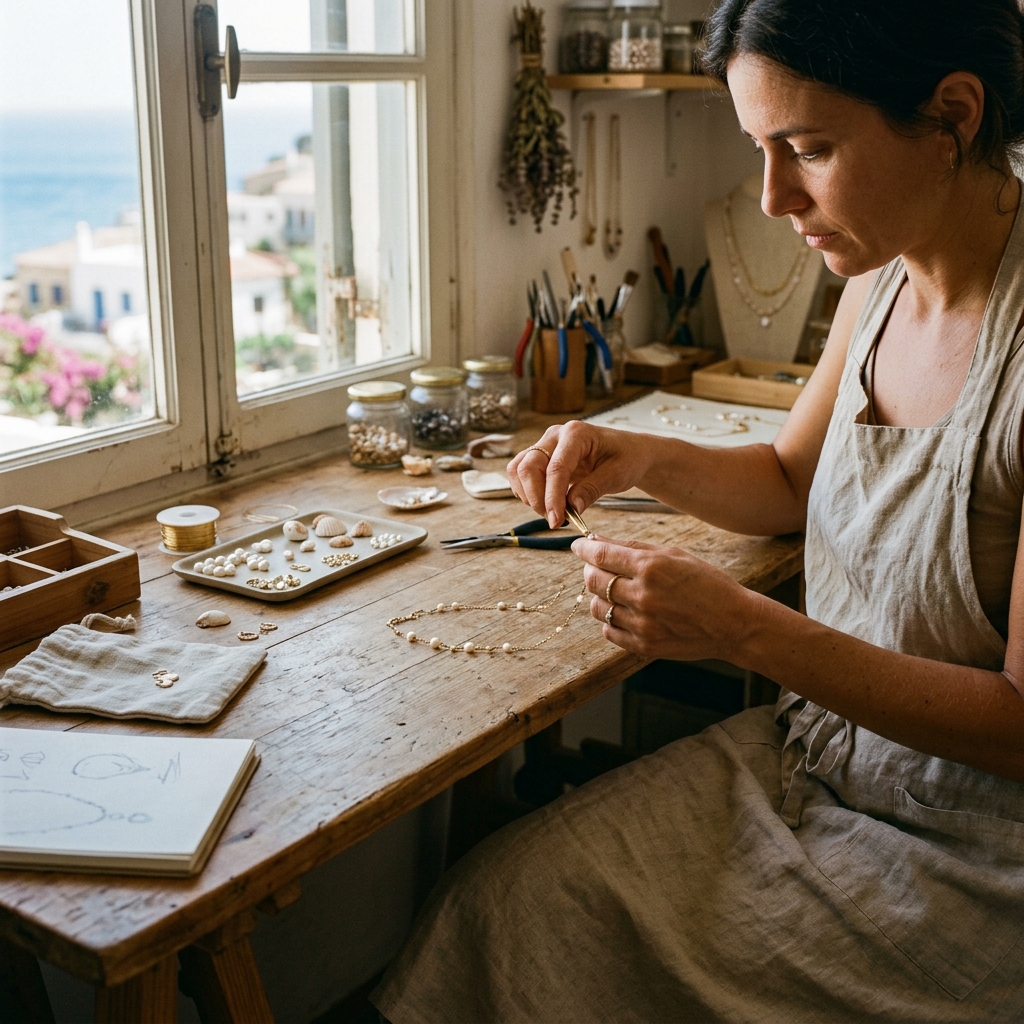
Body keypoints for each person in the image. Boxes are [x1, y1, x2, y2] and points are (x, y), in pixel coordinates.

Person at [373, 1, 1024, 1019]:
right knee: (496, 904)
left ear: (951, 114)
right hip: (818, 762)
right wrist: (637, 455)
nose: (772, 196)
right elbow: (793, 481)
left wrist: (740, 628)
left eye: (809, 149)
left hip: (975, 852)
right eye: (761, 149)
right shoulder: (880, 278)